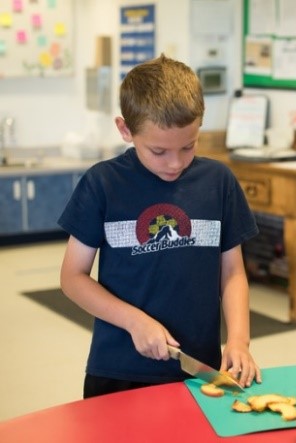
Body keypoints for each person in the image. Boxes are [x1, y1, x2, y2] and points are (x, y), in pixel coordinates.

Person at [58, 54, 262, 398]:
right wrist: (133, 320)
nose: (175, 163)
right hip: (118, 371)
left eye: (188, 146)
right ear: (125, 130)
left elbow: (232, 273)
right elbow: (72, 278)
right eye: (158, 151)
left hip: (199, 372)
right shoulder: (102, 184)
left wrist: (239, 340)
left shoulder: (218, 181)